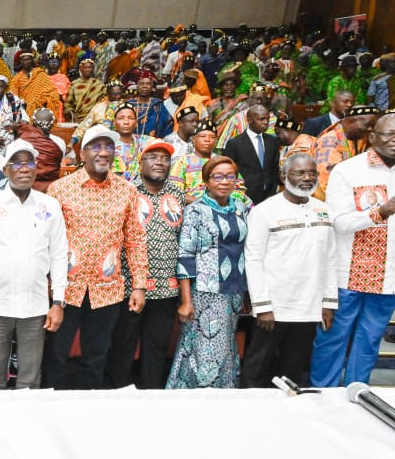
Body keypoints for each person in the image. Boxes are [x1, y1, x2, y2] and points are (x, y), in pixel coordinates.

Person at [45, 125, 148, 389]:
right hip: (66, 289)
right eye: (95, 146)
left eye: (108, 146)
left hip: (107, 290)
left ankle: (89, 411)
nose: (103, 152)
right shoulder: (59, 189)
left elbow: (135, 240)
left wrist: (139, 285)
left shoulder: (127, 191)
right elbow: (46, 240)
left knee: (96, 356)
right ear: (82, 154)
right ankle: (48, 411)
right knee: (56, 354)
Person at [0, 139, 68, 390]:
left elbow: (59, 255)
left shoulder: (50, 206)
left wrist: (58, 302)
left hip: (35, 308)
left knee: (30, 379)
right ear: (6, 169)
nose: (24, 168)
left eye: (29, 162)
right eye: (17, 163)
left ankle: (25, 426)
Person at [310, 114, 395, 387]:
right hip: (349, 275)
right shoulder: (348, 170)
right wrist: (380, 212)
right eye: (388, 134)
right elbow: (339, 222)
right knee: (332, 339)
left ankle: (356, 397)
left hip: (388, 278)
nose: (394, 140)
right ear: (372, 137)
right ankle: (322, 399)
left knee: (369, 343)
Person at [243, 152, 337, 388]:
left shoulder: (324, 210)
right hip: (275, 307)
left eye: (312, 173)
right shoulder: (265, 211)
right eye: (299, 173)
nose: (307, 178)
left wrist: (327, 302)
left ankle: (289, 416)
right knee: (257, 368)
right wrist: (262, 306)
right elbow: (253, 260)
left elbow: (330, 259)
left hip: (309, 307)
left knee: (293, 370)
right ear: (284, 177)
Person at [104, 140, 184, 389]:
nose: (160, 162)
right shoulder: (127, 192)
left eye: (164, 158)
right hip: (130, 287)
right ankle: (118, 396)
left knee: (157, 350)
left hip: (166, 288)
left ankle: (152, 398)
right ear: (140, 163)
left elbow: (183, 239)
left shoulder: (178, 194)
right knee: (123, 347)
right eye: (153, 157)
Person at [167, 156, 249, 389]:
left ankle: (225, 395)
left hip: (233, 292)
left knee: (226, 348)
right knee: (205, 350)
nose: (224, 181)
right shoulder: (195, 211)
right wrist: (186, 302)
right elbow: (185, 257)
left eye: (230, 176)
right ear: (206, 181)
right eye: (218, 176)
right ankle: (200, 400)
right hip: (205, 292)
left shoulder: (241, 209)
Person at [286, 105, 379, 199]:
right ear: (352, 122)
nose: (371, 129)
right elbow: (327, 187)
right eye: (368, 125)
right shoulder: (329, 144)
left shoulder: (358, 137)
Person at [222, 104, 280, 204]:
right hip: (244, 196)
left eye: (267, 119)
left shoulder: (272, 141)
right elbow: (228, 170)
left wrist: (272, 192)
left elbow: (274, 169)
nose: (266, 122)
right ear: (249, 120)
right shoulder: (235, 143)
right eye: (261, 119)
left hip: (268, 197)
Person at [10, 51, 63, 122]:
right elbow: (13, 95)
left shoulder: (41, 74)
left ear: (32, 60)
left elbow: (52, 92)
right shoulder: (16, 78)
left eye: (28, 59)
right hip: (23, 111)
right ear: (20, 62)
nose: (25, 62)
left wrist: (41, 100)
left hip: (40, 111)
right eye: (23, 60)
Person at [64, 58, 106, 122]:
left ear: (93, 69)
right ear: (81, 69)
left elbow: (104, 102)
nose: (88, 70)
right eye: (85, 67)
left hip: (95, 119)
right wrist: (76, 120)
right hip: (78, 118)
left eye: (90, 67)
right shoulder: (74, 84)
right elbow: (68, 105)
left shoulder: (99, 84)